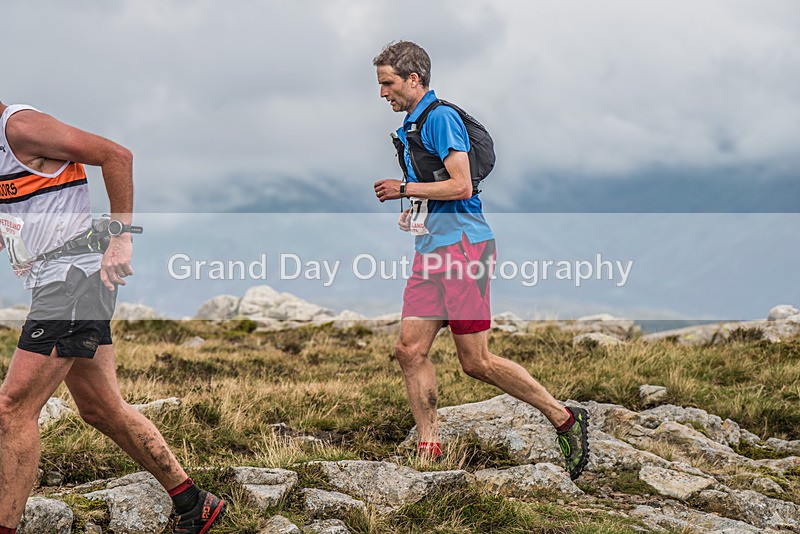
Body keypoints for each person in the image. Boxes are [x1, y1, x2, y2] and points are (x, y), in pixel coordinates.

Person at [0, 102, 225, 533]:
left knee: (12, 409)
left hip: (71, 281)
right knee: (102, 408)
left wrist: (120, 240)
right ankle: (194, 503)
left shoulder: (21, 127)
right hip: (62, 281)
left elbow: (116, 155)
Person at [372, 41, 590, 479]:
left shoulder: (441, 119)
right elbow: (435, 188)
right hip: (431, 251)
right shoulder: (412, 126)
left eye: (388, 83)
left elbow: (462, 186)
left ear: (414, 79)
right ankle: (429, 448)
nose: (382, 94)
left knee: (476, 363)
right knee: (409, 350)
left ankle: (564, 417)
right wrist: (414, 213)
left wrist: (406, 190)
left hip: (464, 251)